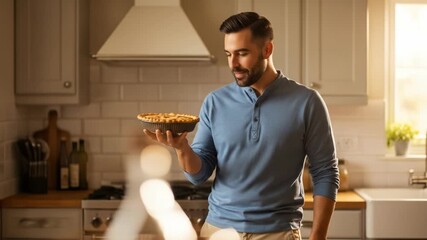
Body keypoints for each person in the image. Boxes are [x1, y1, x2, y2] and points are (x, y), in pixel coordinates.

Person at [143, 12, 339, 240]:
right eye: (228, 54)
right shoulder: (215, 102)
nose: (233, 63)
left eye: (242, 53)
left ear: (267, 50)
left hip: (278, 233)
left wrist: (318, 236)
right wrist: (182, 148)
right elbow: (199, 174)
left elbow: (325, 172)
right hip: (219, 231)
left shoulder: (307, 102)